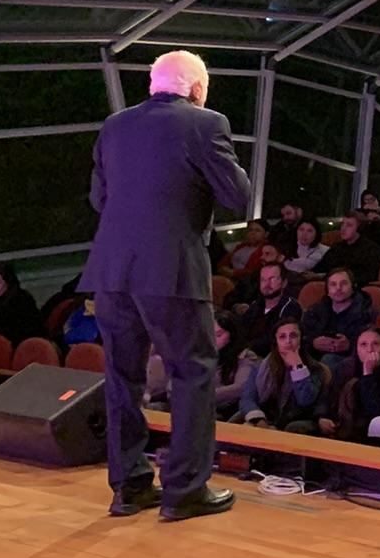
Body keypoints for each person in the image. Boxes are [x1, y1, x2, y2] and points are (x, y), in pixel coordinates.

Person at [81, 49, 253, 521]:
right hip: (171, 270)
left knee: (122, 377)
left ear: (153, 85)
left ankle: (129, 488)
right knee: (192, 372)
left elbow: (100, 198)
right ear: (197, 88)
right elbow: (238, 196)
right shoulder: (206, 124)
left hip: (113, 272)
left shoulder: (114, 126)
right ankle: (184, 490)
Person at [235, 319, 330, 432]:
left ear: (301, 339)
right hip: (264, 418)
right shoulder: (260, 366)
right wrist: (259, 419)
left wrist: (298, 367)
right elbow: (247, 398)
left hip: (295, 420)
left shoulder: (315, 369)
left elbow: (305, 401)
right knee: (238, 419)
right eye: (282, 337)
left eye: (293, 336)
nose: (288, 341)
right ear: (276, 341)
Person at [330, 327, 380, 445]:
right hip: (342, 424)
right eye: (363, 344)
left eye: (376, 344)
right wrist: (322, 417)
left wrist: (368, 373)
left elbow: (376, 409)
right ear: (356, 350)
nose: (370, 350)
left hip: (374, 430)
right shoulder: (344, 369)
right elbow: (328, 397)